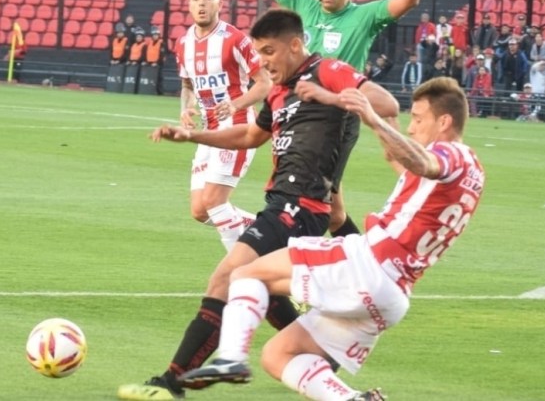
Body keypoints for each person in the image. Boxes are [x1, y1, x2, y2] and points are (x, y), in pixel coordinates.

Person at [117, 9, 400, 401]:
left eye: (269, 51)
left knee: (228, 277)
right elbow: (251, 135)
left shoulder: (328, 71)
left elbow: (385, 104)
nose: (263, 61)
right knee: (259, 288)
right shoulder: (280, 90)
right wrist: (192, 135)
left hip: (299, 208)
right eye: (259, 53)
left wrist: (328, 96)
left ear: (296, 45)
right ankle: (322, 366)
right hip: (284, 205)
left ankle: (171, 384)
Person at [179, 77, 485, 401]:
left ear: (445, 121)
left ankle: (231, 359)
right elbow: (400, 159)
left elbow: (422, 162)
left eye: (419, 119)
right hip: (392, 296)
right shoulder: (473, 171)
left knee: (245, 273)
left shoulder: (449, 154)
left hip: (369, 265)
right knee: (277, 356)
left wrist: (370, 116)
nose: (412, 128)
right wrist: (379, 118)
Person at [229, 0, 427, 237]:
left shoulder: (364, 16)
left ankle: (290, 260)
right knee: (332, 213)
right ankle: (356, 266)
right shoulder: (305, 5)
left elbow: (408, 0)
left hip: (336, 116)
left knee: (309, 203)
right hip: (297, 112)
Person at [175, 0, 272, 253]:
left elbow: (264, 83)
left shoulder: (235, 40)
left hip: (238, 127)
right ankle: (270, 233)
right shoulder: (183, 44)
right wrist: (186, 108)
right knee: (200, 210)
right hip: (208, 131)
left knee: (215, 202)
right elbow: (187, 84)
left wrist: (236, 104)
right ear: (189, 4)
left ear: (220, 2)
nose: (201, 3)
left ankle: (238, 273)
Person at [144, 26, 165, 94]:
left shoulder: (161, 43)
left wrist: (157, 63)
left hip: (157, 64)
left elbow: (162, 55)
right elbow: (147, 53)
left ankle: (159, 92)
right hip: (150, 63)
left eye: (156, 35)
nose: (155, 36)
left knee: (158, 79)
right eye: (154, 35)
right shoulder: (149, 43)